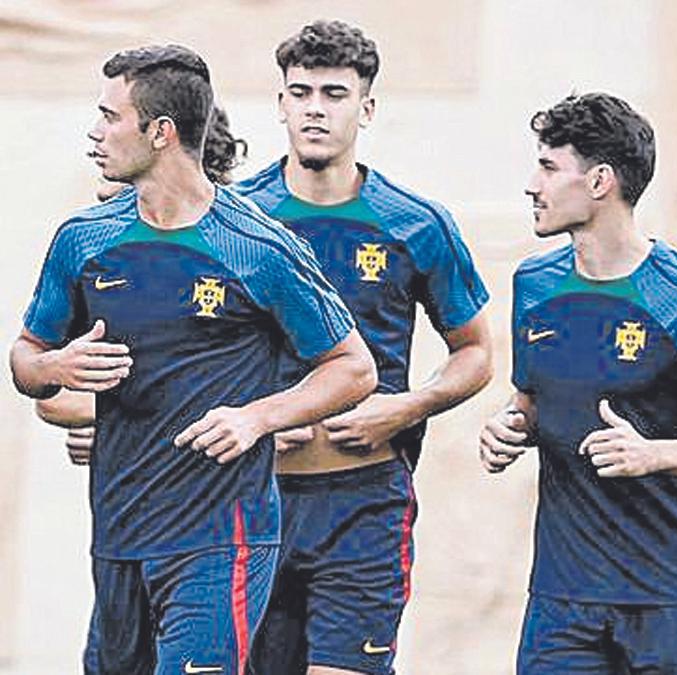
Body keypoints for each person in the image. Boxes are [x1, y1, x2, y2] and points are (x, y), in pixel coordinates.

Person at [9, 44, 376, 675]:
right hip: (119, 533)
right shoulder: (83, 239)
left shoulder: (259, 247)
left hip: (222, 538)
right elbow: (26, 358)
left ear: (160, 133)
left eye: (110, 117)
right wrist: (53, 369)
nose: (95, 132)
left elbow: (353, 368)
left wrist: (257, 418)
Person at [478, 91, 677, 674]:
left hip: (670, 598)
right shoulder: (534, 285)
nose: (532, 186)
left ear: (599, 182)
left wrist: (654, 454)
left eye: (549, 168)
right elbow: (533, 403)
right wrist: (509, 427)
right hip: (562, 599)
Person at [239, 20, 493, 675]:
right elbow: (193, 350)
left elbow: (474, 351)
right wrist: (261, 416)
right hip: (253, 496)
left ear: (367, 108)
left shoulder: (416, 223)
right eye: (301, 93)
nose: (315, 109)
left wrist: (409, 406)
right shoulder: (238, 219)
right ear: (280, 104)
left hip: (364, 500)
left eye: (334, 94)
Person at [37, 104, 249, 438]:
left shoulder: (249, 256)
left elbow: (310, 383)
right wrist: (118, 421)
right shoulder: (97, 260)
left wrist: (262, 420)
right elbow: (55, 398)